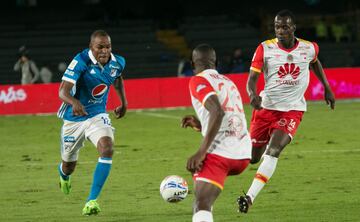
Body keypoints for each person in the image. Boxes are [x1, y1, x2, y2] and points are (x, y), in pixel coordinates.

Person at [238, 10, 335, 213]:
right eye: (277, 27)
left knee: (274, 151)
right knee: (253, 158)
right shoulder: (265, 48)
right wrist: (252, 94)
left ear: (293, 28)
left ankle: (249, 197)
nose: (280, 30)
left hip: (292, 110)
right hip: (266, 108)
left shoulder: (309, 48)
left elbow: (315, 62)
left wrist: (326, 87)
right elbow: (252, 79)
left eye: (284, 26)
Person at [57, 30, 127, 216]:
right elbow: (62, 92)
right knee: (68, 166)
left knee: (107, 148)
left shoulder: (118, 61)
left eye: (107, 46)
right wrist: (74, 102)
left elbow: (117, 79)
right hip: (74, 119)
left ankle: (91, 200)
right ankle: (63, 175)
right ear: (91, 47)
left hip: (97, 115)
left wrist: (123, 102)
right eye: (100, 47)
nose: (104, 51)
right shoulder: (81, 61)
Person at [181, 44, 252, 222]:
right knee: (205, 196)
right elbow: (228, 114)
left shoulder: (197, 80)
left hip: (222, 154)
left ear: (192, 64)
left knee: (200, 204)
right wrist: (201, 124)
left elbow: (218, 112)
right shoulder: (228, 81)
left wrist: (201, 152)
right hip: (243, 154)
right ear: (216, 63)